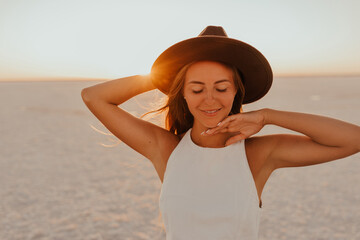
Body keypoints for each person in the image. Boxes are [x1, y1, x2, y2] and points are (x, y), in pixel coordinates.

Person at [81, 26, 360, 239]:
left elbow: (353, 139)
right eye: (197, 89)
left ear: (237, 91)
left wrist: (268, 116)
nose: (210, 100)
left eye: (222, 88)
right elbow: (94, 97)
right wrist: (163, 75)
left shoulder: (258, 154)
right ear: (184, 95)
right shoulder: (165, 149)